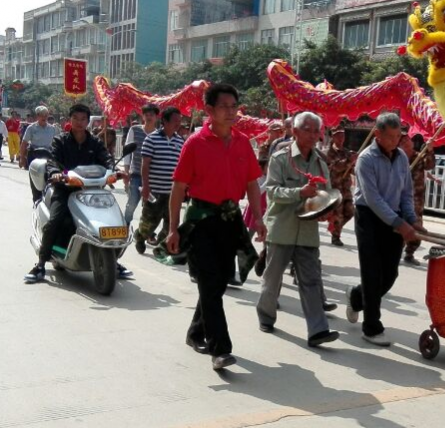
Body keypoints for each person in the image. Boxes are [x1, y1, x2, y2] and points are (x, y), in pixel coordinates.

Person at [166, 83, 265, 371]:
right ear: (209, 110)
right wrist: (173, 228)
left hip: (231, 219)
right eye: (225, 106)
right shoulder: (195, 143)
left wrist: (258, 217)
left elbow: (252, 183)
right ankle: (220, 349)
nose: (231, 111)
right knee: (210, 282)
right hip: (202, 220)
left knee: (219, 282)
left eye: (234, 106)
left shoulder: (243, 142)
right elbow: (179, 187)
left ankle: (196, 332)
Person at [256, 111, 340, 347]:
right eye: (308, 130)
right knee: (272, 279)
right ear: (295, 131)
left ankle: (318, 330)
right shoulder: (281, 158)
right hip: (281, 228)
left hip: (307, 232)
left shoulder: (321, 162)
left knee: (311, 281)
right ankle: (266, 315)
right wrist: (298, 192)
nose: (314, 135)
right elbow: (271, 191)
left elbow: (326, 194)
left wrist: (327, 210)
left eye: (317, 131)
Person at [23, 104, 133, 284]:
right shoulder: (61, 141)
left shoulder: (95, 142)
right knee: (55, 221)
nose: (79, 122)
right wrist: (55, 173)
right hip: (65, 190)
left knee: (114, 220)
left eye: (83, 119)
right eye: (76, 118)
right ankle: (41, 264)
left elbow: (106, 159)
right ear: (70, 120)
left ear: (88, 121)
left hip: (92, 190)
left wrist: (115, 170)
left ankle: (114, 260)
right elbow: (53, 161)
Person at [346, 113, 421, 347]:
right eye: (390, 137)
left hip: (394, 217)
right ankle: (372, 327)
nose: (395, 141)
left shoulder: (400, 159)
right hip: (369, 217)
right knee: (372, 273)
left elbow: (406, 193)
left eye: (399, 136)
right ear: (377, 134)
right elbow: (373, 198)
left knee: (389, 276)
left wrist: (411, 219)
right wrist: (400, 224)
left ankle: (357, 298)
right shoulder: (366, 159)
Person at [134, 107, 184, 254]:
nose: (178, 124)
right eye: (175, 121)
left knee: (170, 224)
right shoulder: (151, 139)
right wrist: (146, 186)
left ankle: (161, 245)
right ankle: (140, 236)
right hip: (154, 190)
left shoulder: (180, 142)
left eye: (180, 121)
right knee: (150, 222)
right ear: (165, 121)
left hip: (172, 192)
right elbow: (145, 165)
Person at [123, 103, 160, 226]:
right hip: (136, 176)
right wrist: (126, 171)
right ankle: (125, 226)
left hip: (153, 179)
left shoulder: (159, 135)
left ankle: (145, 232)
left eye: (152, 115)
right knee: (132, 203)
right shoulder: (134, 130)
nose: (149, 117)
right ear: (143, 116)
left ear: (156, 117)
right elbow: (127, 153)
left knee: (149, 207)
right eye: (146, 115)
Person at [401, 133, 435, 265]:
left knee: (417, 229)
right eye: (402, 141)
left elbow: (430, 165)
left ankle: (409, 253)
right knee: (400, 229)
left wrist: (430, 149)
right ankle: (393, 253)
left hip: (417, 200)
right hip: (401, 199)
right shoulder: (397, 158)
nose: (406, 143)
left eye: (407, 140)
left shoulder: (419, 157)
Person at [326, 127, 357, 247]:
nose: (341, 138)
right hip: (335, 188)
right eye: (338, 135)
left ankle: (334, 227)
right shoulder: (329, 152)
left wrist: (355, 163)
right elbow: (337, 166)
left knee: (349, 212)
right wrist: (349, 160)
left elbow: (352, 170)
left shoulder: (347, 152)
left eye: (342, 135)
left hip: (346, 188)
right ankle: (336, 236)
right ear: (333, 137)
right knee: (338, 213)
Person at [21, 106, 59, 203]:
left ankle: (46, 198)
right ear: (37, 116)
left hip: (48, 156)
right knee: (35, 179)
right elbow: (24, 143)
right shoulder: (31, 128)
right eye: (42, 115)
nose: (44, 117)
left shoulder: (53, 129)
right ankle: (36, 198)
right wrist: (22, 158)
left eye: (46, 115)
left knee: (49, 178)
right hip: (34, 156)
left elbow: (57, 144)